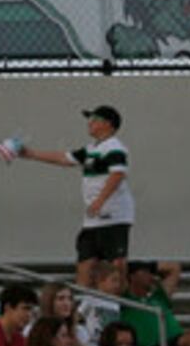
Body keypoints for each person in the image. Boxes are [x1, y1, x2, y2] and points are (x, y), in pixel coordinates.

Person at [10, 108, 134, 288]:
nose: (90, 122)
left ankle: (123, 305)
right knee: (85, 263)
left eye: (95, 119)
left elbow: (118, 174)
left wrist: (100, 200)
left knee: (116, 265)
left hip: (113, 217)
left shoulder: (114, 147)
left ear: (108, 124)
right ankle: (83, 306)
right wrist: (31, 154)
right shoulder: (91, 149)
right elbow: (64, 158)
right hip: (92, 219)